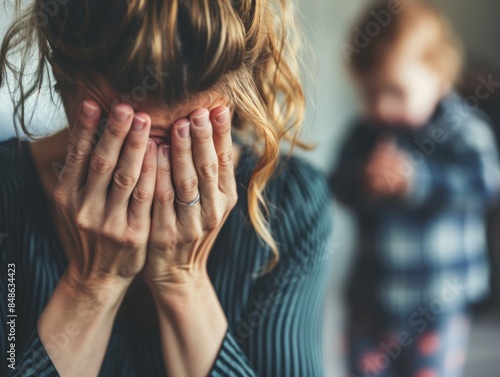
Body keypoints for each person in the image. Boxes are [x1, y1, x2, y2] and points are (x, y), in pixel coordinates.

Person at [0, 0, 334, 376]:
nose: (148, 169)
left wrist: (181, 278)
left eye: (184, 137)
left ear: (236, 98)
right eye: (120, 133)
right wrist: (92, 284)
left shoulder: (291, 202)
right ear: (63, 82)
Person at [329, 1, 500, 376]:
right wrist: (363, 180)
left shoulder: (465, 129)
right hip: (372, 295)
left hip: (438, 301)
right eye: (370, 94)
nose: (382, 107)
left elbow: (483, 186)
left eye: (395, 91)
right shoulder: (365, 134)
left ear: (438, 76)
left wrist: (418, 183)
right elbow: (337, 185)